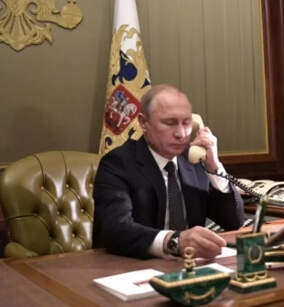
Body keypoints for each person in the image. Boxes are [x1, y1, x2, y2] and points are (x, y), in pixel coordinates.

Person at [94, 84, 245, 259]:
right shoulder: (118, 164)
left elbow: (233, 221)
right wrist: (174, 242)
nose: (181, 134)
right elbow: (115, 229)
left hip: (190, 266)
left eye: (186, 123)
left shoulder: (195, 161)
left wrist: (215, 167)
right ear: (144, 123)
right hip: (135, 265)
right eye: (169, 123)